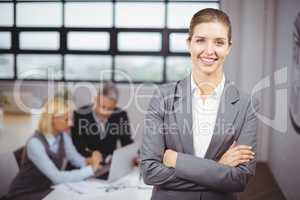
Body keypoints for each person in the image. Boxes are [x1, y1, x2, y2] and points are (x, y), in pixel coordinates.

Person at [140, 8, 259, 200]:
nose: (209, 51)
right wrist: (219, 168)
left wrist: (177, 160)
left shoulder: (246, 105)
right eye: (200, 40)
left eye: (219, 42)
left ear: (228, 47)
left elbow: (240, 179)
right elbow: (150, 172)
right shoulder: (162, 97)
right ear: (189, 44)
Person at [6, 97, 102, 200]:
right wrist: (91, 169)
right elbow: (57, 178)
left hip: (46, 189)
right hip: (24, 194)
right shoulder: (35, 144)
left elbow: (76, 159)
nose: (71, 123)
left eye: (71, 119)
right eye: (66, 119)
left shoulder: (63, 136)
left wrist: (90, 161)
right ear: (52, 119)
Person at [71, 82, 133, 164]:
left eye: (110, 109)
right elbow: (78, 148)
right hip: (87, 164)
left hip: (110, 166)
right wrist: (106, 158)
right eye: (102, 107)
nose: (105, 112)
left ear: (115, 105)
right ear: (95, 99)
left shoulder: (120, 115)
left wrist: (134, 156)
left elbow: (127, 142)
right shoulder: (79, 115)